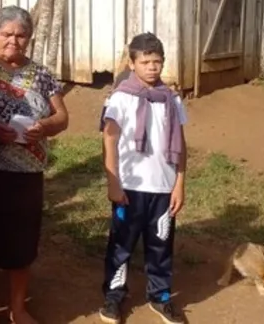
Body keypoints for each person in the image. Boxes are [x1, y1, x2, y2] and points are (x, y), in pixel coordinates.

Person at [0, 6, 69, 324]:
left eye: (21, 35)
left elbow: (61, 117)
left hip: (27, 170)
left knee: (22, 242)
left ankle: (17, 307)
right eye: (6, 33)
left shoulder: (41, 73)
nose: (13, 40)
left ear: (29, 39)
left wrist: (45, 128)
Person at [98, 33, 188, 324]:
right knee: (121, 244)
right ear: (132, 63)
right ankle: (113, 297)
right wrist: (113, 181)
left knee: (161, 245)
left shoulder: (171, 99)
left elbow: (182, 144)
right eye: (145, 62)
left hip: (163, 186)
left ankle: (160, 297)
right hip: (130, 187)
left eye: (157, 62)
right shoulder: (121, 97)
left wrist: (180, 183)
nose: (152, 67)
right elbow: (109, 139)